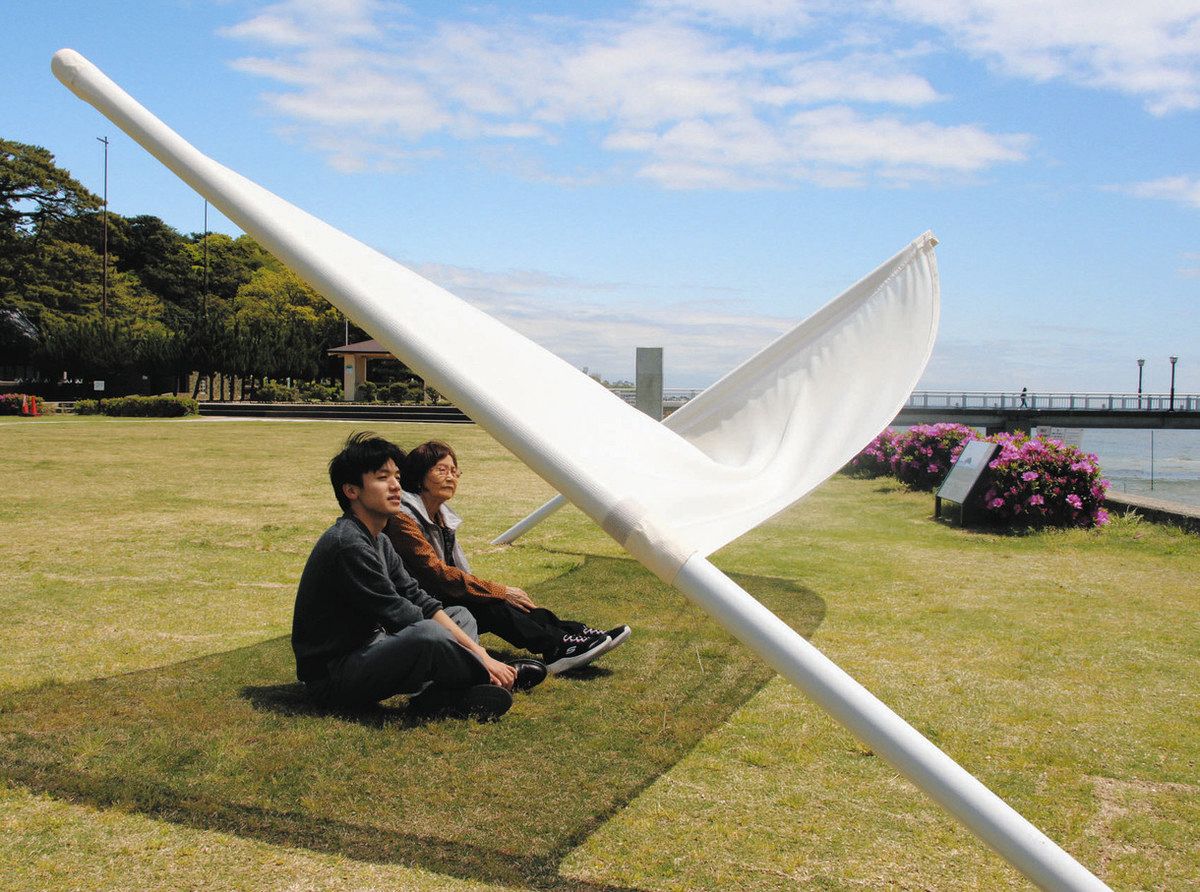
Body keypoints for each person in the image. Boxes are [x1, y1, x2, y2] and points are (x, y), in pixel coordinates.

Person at [291, 432, 546, 721]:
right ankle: (486, 676)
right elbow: (401, 613)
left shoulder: (379, 539)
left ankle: (442, 695)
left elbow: (416, 596)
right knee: (429, 633)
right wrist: (483, 657)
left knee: (459, 615)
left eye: (397, 477)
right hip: (334, 675)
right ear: (351, 490)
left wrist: (480, 652)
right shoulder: (348, 544)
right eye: (382, 477)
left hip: (373, 648)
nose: (395, 486)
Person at [385, 440, 631, 675]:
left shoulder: (441, 516)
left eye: (454, 471)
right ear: (419, 475)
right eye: (441, 470)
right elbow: (436, 573)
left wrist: (496, 592)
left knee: (503, 600)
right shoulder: (404, 518)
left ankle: (572, 633)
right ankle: (557, 647)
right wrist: (499, 591)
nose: (451, 477)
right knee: (491, 602)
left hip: (439, 596)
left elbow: (454, 575)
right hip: (419, 604)